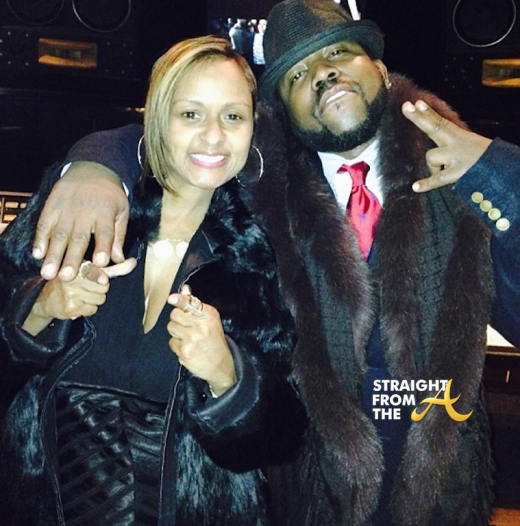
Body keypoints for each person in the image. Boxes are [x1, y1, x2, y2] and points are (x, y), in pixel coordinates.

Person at [22, 0, 520, 525]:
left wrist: (500, 171)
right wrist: (95, 165)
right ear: (281, 111)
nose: (322, 73)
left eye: (339, 53)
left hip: (442, 488)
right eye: (297, 75)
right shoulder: (262, 188)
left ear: (378, 68)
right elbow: (176, 134)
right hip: (309, 495)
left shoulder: (461, 176)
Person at [0, 36, 306, 526]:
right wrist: (40, 308)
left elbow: (284, 441)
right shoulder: (82, 210)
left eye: (233, 116)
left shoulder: (261, 257)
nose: (213, 136)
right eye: (191, 114)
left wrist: (227, 374)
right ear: (159, 118)